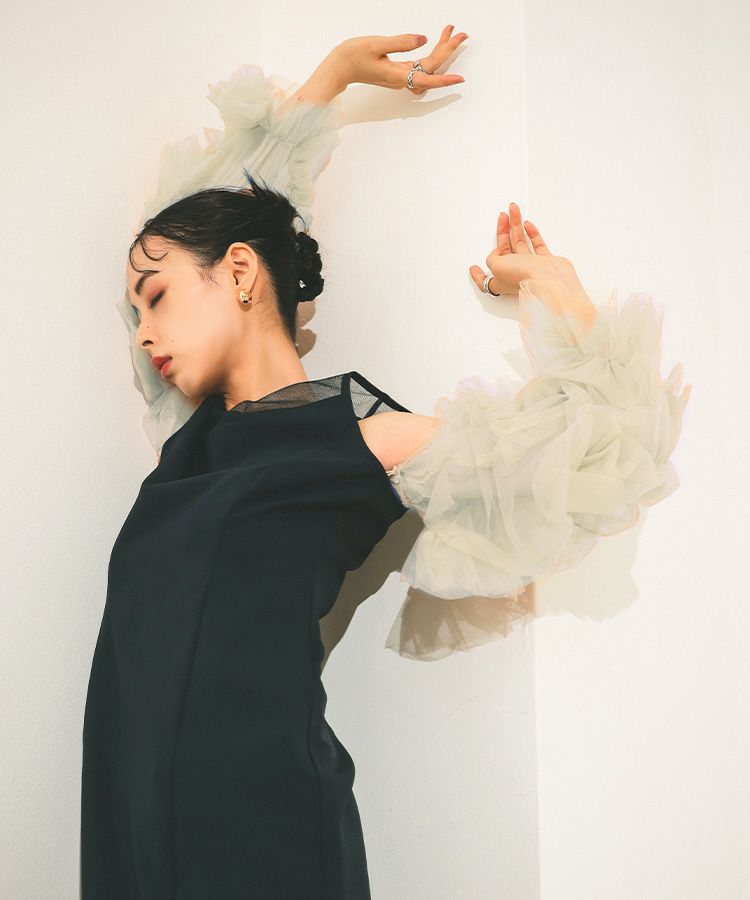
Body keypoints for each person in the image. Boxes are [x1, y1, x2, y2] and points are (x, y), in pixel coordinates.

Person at [81, 28, 691, 900]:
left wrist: (551, 283)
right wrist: (327, 80)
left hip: (265, 832)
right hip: (133, 823)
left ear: (242, 272)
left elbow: (594, 448)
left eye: (157, 297)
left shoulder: (356, 440)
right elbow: (202, 214)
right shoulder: (189, 435)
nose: (144, 332)